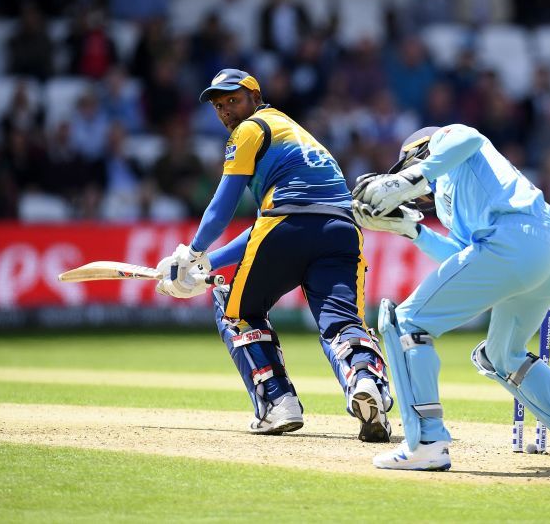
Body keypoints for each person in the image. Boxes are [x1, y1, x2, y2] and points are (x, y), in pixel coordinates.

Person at [352, 124, 550, 471]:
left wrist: (412, 177)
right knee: (502, 356)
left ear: (420, 153)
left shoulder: (452, 141)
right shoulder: (452, 202)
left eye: (406, 171)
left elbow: (468, 137)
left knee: (406, 320)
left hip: (515, 243)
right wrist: (412, 230)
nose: (415, 194)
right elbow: (467, 256)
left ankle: (426, 442)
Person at [155, 69, 392, 442]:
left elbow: (224, 206)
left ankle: (279, 403)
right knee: (342, 324)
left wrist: (191, 251)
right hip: (341, 231)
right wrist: (206, 264)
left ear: (254, 97)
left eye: (233, 100)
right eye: (219, 106)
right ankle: (366, 382)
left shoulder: (249, 131)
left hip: (285, 226)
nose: (226, 111)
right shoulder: (299, 136)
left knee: (236, 310)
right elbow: (270, 223)